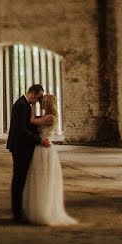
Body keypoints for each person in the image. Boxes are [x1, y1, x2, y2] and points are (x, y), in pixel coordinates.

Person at [22, 94, 78, 225]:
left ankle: (45, 211)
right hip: (40, 148)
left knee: (44, 178)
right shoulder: (46, 116)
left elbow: (32, 121)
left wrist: (33, 106)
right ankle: (39, 209)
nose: (40, 103)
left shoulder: (51, 118)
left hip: (45, 149)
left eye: (42, 102)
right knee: (38, 178)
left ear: (47, 104)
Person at [6, 84, 49, 222]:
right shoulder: (21, 105)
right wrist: (39, 140)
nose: (39, 100)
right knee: (19, 179)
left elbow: (27, 124)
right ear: (34, 94)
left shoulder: (25, 105)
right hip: (20, 147)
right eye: (39, 97)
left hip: (22, 146)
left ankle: (19, 211)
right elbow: (21, 129)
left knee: (21, 178)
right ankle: (17, 213)